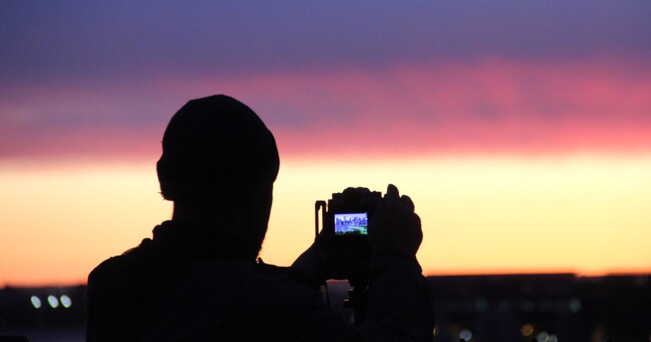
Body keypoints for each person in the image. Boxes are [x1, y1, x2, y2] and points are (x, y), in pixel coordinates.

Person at [86, 94, 433, 341]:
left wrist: (314, 262)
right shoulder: (273, 308)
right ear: (257, 195)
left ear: (165, 179)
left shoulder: (113, 285)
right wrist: (396, 259)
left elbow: (216, 286)